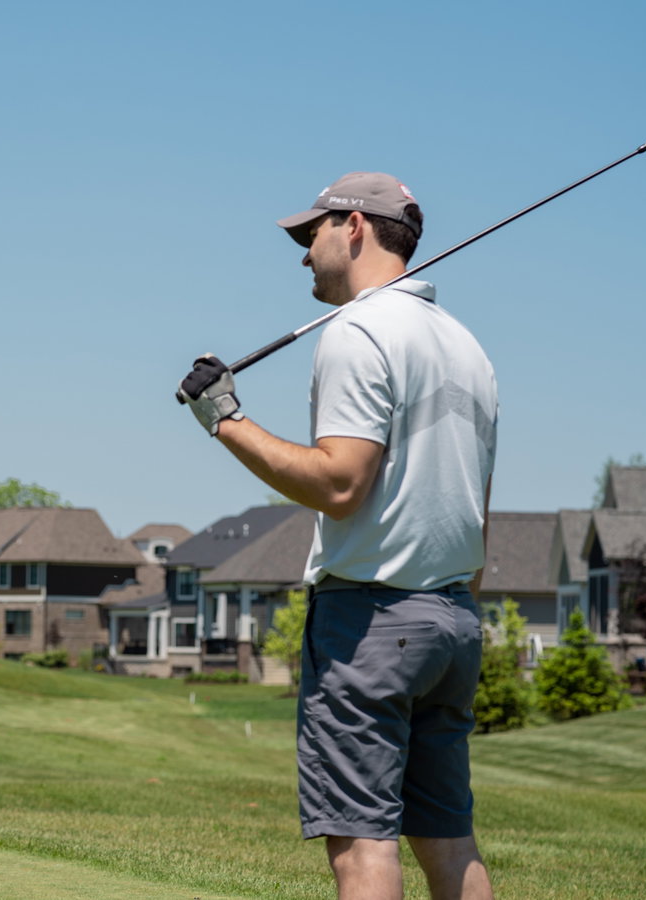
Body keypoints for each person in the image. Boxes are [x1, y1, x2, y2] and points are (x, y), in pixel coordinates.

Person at [177, 173, 498, 899]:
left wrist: (224, 418)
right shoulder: (467, 348)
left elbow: (340, 484)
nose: (303, 255)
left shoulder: (357, 330)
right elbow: (476, 512)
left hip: (373, 625)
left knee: (362, 848)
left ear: (353, 226)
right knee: (449, 844)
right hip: (452, 621)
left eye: (310, 234)